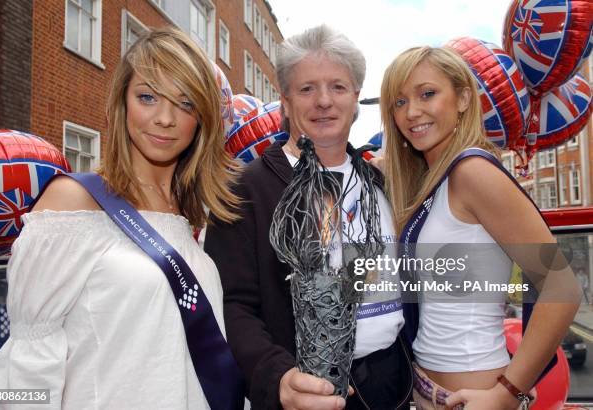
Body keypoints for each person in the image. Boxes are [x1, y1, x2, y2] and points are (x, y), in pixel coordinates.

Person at [0, 27, 240, 409]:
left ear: (202, 118)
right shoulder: (73, 202)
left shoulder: (195, 216)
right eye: (148, 97)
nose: (165, 118)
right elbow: (23, 363)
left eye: (185, 104)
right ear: (122, 103)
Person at [205, 25, 412, 410]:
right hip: (303, 395)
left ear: (355, 99)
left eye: (337, 87)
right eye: (306, 89)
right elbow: (232, 305)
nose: (323, 101)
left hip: (391, 387)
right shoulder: (245, 190)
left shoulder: (382, 182)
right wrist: (277, 376)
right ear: (284, 101)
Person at [378, 46, 580, 410]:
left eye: (427, 94)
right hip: (427, 389)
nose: (412, 112)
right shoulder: (436, 180)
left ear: (463, 99)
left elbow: (561, 287)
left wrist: (507, 393)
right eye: (398, 102)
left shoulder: (472, 173)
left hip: (474, 393)